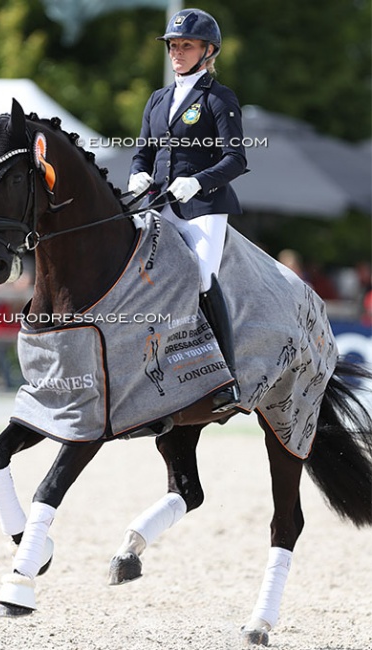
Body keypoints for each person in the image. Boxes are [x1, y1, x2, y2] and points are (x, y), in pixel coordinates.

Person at [128, 8, 248, 412]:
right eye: (174, 45)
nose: (177, 52)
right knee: (135, 273)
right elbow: (143, 152)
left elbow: (236, 158)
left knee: (200, 277)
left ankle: (226, 379)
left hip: (203, 205)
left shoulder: (218, 97)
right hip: (159, 202)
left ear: (207, 50)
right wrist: (137, 176)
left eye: (186, 45)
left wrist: (199, 179)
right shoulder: (158, 98)